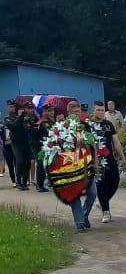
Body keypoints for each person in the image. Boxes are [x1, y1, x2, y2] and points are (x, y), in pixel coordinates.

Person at [42, 98, 99, 231]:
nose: (77, 114)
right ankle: (80, 223)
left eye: (79, 111)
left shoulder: (85, 126)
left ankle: (84, 215)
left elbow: (92, 144)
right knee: (74, 194)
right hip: (68, 168)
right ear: (68, 112)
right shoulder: (61, 127)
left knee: (92, 193)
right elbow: (52, 147)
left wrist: (96, 160)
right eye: (74, 112)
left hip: (86, 166)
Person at [92, 100, 126, 223]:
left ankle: (103, 201)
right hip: (96, 160)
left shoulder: (108, 125)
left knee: (115, 181)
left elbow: (116, 143)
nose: (100, 112)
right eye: (98, 110)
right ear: (93, 111)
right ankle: (106, 211)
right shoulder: (89, 125)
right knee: (101, 185)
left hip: (109, 158)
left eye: (102, 110)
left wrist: (122, 157)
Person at [6, 101, 35, 190]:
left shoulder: (25, 117)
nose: (13, 108)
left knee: (27, 163)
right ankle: (18, 181)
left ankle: (24, 182)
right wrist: (19, 116)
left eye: (14, 106)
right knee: (20, 162)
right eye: (11, 106)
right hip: (16, 143)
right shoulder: (8, 118)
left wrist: (30, 116)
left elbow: (30, 127)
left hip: (26, 142)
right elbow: (13, 126)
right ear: (8, 108)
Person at [31, 103, 55, 191]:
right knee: (41, 164)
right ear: (44, 112)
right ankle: (39, 185)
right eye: (49, 111)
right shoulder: (41, 121)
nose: (51, 112)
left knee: (50, 163)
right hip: (38, 146)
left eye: (52, 110)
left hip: (49, 146)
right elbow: (45, 133)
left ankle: (50, 181)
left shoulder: (54, 121)